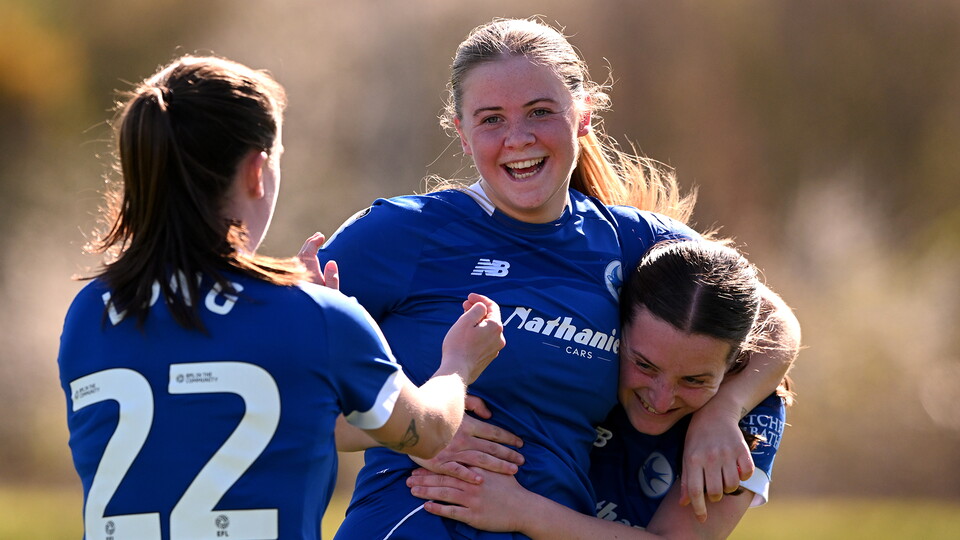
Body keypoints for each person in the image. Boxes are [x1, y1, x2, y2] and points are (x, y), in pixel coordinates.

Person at [309, 17, 799, 539]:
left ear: (583, 115)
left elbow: (774, 322)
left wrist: (722, 409)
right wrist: (417, 428)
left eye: (540, 112)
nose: (518, 138)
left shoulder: (629, 240)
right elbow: (278, 387)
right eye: (491, 118)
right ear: (461, 130)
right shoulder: (400, 232)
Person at [57, 55, 504, 540]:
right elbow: (432, 430)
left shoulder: (88, 313)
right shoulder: (315, 316)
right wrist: (457, 365)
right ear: (256, 171)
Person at [406, 239, 795, 539]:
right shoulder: (581, 341)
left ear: (735, 363)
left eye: (695, 380)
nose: (660, 399)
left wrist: (523, 510)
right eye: (643, 365)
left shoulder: (754, 416)